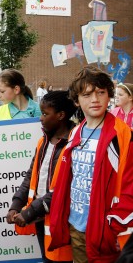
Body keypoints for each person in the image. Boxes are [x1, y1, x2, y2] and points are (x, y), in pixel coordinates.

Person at [49, 66, 133, 262]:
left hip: (105, 230)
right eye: (87, 95)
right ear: (77, 101)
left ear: (109, 95)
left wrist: (113, 225)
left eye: (101, 93)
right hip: (76, 225)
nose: (95, 100)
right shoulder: (76, 132)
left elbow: (130, 186)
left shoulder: (122, 135)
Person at [6, 91, 76, 263]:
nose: (41, 118)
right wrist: (16, 205)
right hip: (39, 216)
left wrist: (30, 211)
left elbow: (63, 189)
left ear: (60, 115)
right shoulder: (43, 141)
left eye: (45, 114)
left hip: (61, 219)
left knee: (60, 258)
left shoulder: (74, 145)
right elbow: (30, 176)